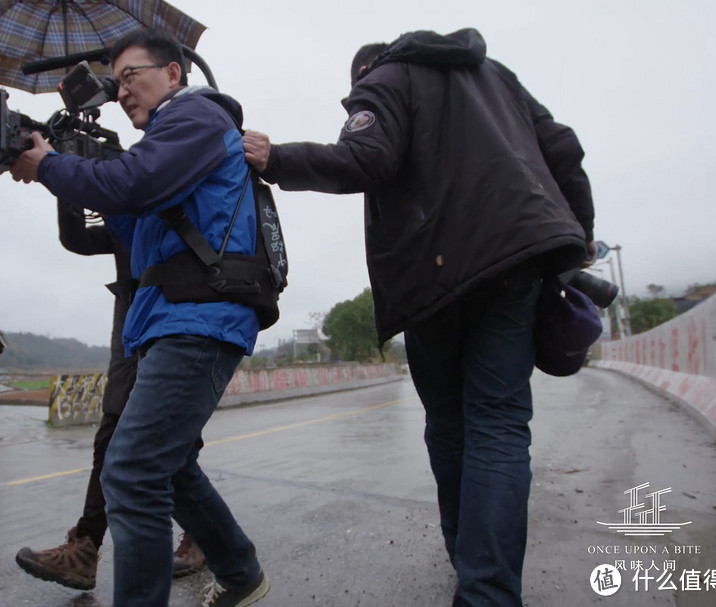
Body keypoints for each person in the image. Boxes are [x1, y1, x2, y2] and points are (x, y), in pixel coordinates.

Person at [242, 28, 595, 606]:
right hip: (518, 260)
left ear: (365, 72)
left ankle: (470, 567)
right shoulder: (497, 77)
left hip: (436, 274)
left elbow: (367, 158)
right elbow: (564, 147)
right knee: (501, 426)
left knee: (454, 427)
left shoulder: (384, 78)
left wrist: (276, 158)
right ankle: (488, 591)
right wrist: (577, 239)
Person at [10, 28, 270, 607]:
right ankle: (243, 574)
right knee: (169, 468)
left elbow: (132, 184)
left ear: (174, 74)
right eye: (116, 81)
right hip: (168, 321)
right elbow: (116, 226)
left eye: (131, 76)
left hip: (198, 320)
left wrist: (55, 166)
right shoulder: (165, 145)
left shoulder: (195, 118)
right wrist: (67, 168)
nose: (121, 91)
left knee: (129, 473)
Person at [14, 201, 206, 591]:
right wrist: (67, 184)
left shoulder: (162, 176)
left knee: (174, 439)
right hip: (132, 317)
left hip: (180, 310)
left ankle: (204, 536)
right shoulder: (122, 205)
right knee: (112, 430)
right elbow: (78, 239)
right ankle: (85, 547)